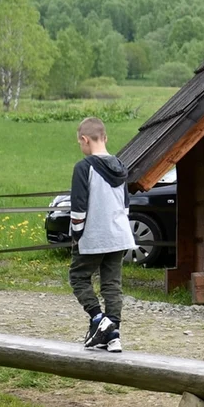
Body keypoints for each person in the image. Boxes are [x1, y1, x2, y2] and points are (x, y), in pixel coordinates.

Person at [68, 116, 135, 353]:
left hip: (94, 236)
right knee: (112, 284)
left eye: (80, 143)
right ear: (105, 138)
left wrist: (76, 235)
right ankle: (113, 334)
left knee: (78, 277)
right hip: (119, 236)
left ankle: (98, 320)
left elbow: (78, 208)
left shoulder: (83, 168)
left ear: (85, 140)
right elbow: (126, 206)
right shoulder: (121, 166)